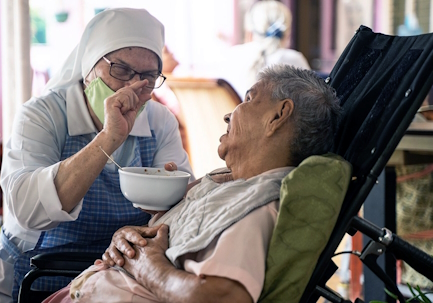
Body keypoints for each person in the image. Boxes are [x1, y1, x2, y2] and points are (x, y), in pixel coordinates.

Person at [42, 64, 341, 303]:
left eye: (248, 99)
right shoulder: (225, 184)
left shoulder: (256, 203)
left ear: (278, 115)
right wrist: (129, 239)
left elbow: (221, 298)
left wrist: (149, 268)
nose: (228, 114)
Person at [0, 8, 194, 303]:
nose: (132, 87)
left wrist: (169, 196)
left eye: (148, 76)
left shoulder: (159, 121)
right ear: (89, 68)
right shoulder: (42, 116)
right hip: (33, 277)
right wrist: (108, 139)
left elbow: (181, 212)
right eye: (121, 70)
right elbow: (26, 210)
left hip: (114, 279)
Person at [219, 0, 310, 100]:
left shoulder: (230, 56)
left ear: (250, 30)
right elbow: (313, 107)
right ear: (287, 32)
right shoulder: (294, 60)